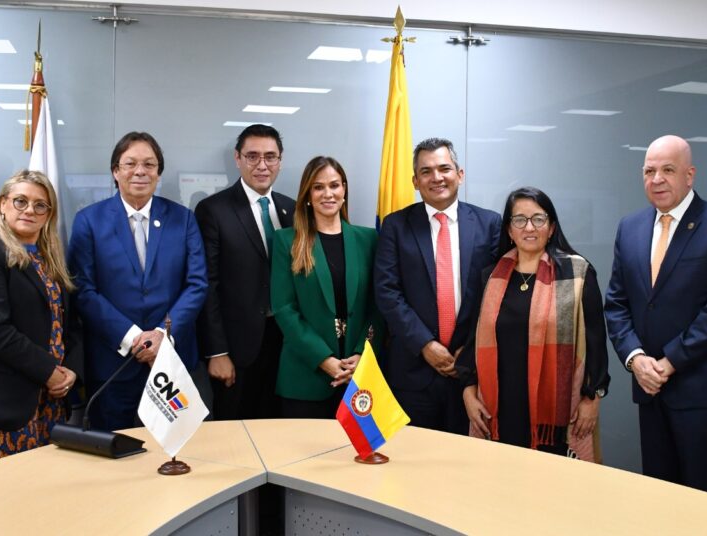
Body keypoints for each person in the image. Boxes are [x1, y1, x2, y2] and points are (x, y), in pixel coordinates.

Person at [604, 135, 707, 494]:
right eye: (649, 171)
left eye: (668, 170)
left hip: (699, 387)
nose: (657, 179)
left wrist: (668, 363)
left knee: (699, 497)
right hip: (648, 386)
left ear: (690, 175)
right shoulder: (631, 227)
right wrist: (636, 360)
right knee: (658, 495)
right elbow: (616, 303)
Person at [68, 131, 207, 431]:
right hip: (112, 363)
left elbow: (197, 284)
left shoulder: (183, 219)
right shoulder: (89, 221)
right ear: (115, 171)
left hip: (170, 360)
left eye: (149, 164)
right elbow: (83, 290)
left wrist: (161, 334)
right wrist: (133, 337)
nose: (140, 171)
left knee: (174, 455)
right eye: (130, 163)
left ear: (159, 173)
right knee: (113, 457)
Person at [459, 187, 609, 460]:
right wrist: (468, 394)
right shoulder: (489, 277)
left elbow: (596, 346)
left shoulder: (577, 274)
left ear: (551, 228)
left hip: (557, 413)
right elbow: (472, 344)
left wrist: (593, 399)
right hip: (499, 408)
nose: (529, 227)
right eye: (519, 220)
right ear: (509, 229)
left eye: (538, 219)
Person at [374, 137, 501, 434]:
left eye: (444, 168)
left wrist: (467, 351)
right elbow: (387, 291)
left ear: (460, 173)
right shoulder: (396, 226)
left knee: (468, 468)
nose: (437, 178)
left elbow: (496, 295)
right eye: (426, 172)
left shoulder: (490, 224)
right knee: (413, 466)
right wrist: (425, 345)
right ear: (415, 181)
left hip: (472, 372)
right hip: (413, 372)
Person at [0, 170, 81, 460]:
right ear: (2, 204)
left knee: (48, 488)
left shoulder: (50, 259)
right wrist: (49, 372)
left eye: (41, 205)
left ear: (49, 214)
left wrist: (72, 371)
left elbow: (67, 325)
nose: (30, 210)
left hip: (54, 397)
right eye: (20, 201)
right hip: (9, 398)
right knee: (13, 493)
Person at [194, 124, 295, 420]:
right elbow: (207, 285)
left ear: (280, 160)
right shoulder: (213, 210)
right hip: (237, 352)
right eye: (252, 156)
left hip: (287, 346)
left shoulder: (293, 209)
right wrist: (217, 352)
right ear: (237, 159)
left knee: (282, 429)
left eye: (270, 156)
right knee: (236, 436)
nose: (262, 165)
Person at [270, 156, 380, 418]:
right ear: (308, 195)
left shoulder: (369, 239)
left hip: (359, 376)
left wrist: (361, 352)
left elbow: (378, 307)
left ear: (344, 190)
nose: (328, 194)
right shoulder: (287, 241)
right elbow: (284, 309)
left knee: (357, 456)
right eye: (318, 187)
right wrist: (324, 359)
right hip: (305, 378)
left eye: (334, 185)